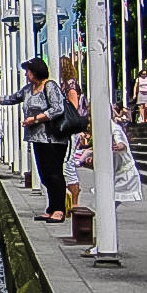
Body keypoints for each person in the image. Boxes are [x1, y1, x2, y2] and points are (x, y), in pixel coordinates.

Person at [0, 56, 69, 222]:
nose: (26, 74)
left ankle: (59, 210)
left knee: (54, 174)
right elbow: (12, 99)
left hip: (53, 138)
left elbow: (58, 108)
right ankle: (51, 207)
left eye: (28, 71)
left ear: (36, 71)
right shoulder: (28, 89)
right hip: (37, 137)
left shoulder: (50, 86)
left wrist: (35, 119)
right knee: (44, 174)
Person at [83, 119, 143, 257]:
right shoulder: (101, 128)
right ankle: (102, 243)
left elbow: (120, 140)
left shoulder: (113, 127)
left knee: (102, 207)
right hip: (114, 176)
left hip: (123, 176)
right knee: (101, 207)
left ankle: (103, 244)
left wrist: (120, 145)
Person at [59, 56, 84, 213]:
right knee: (64, 164)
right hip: (67, 128)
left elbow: (73, 105)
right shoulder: (66, 84)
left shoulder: (70, 84)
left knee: (68, 164)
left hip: (70, 128)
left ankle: (74, 202)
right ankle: (67, 201)